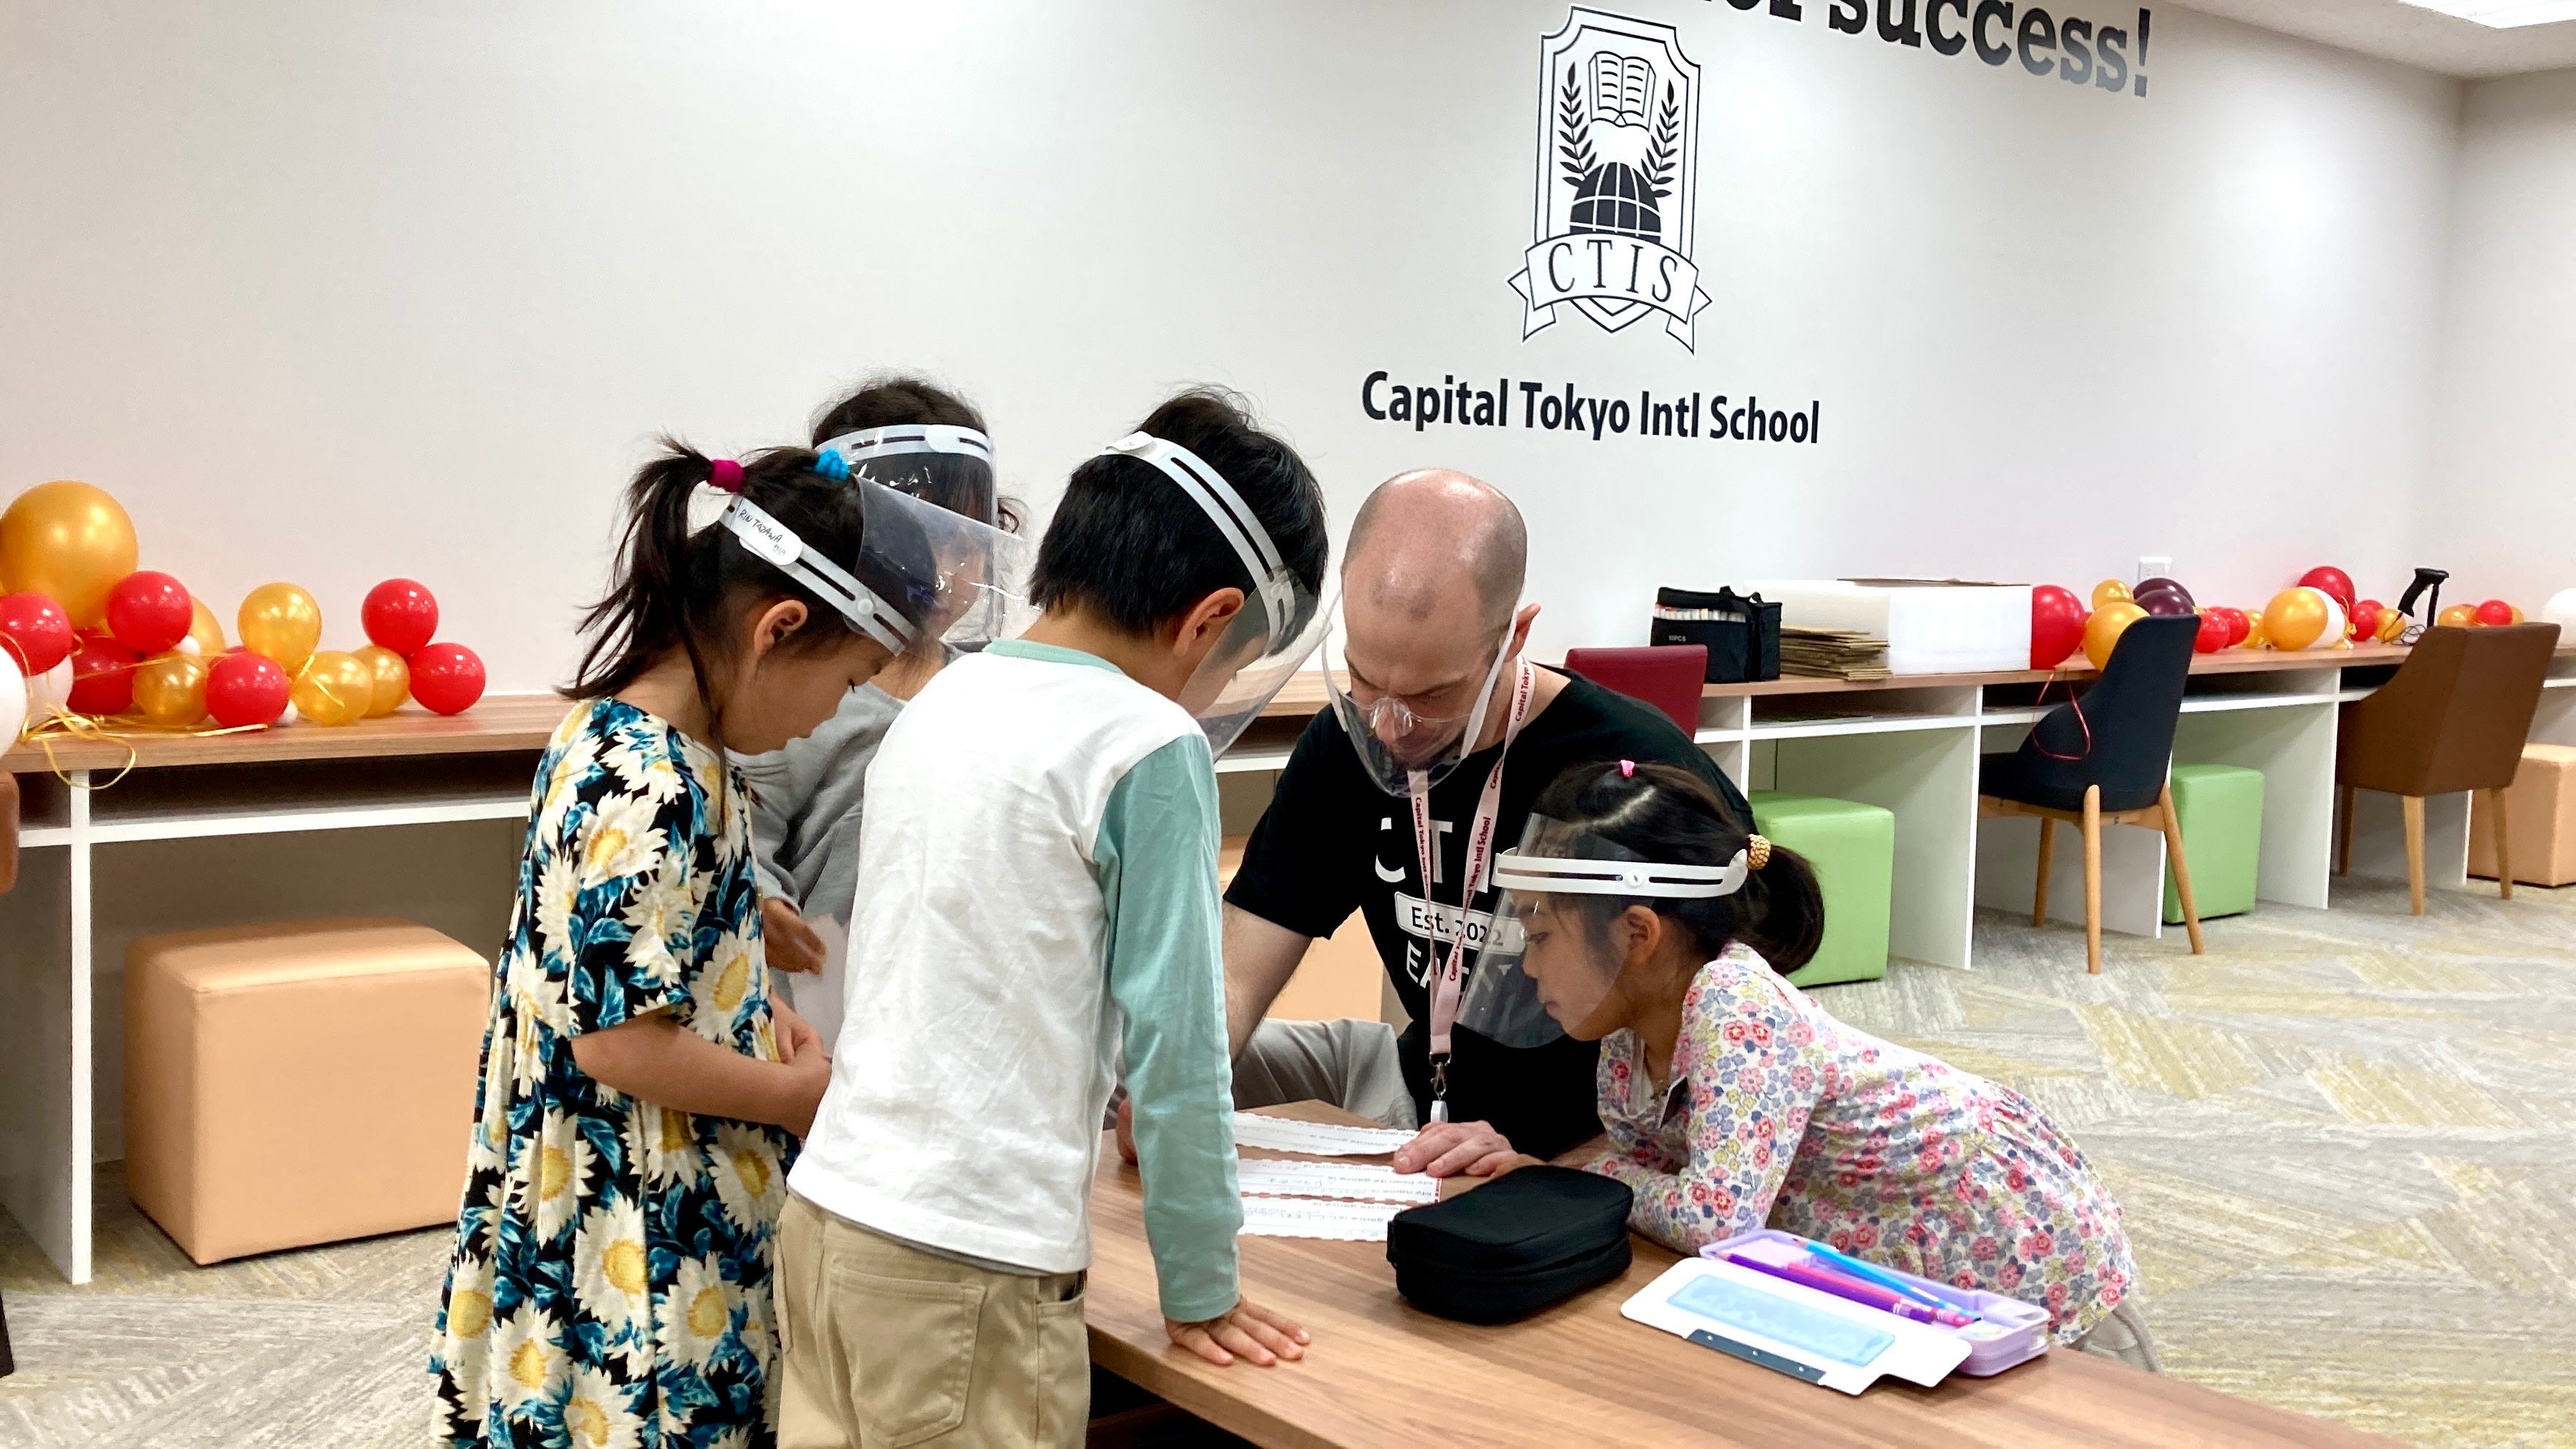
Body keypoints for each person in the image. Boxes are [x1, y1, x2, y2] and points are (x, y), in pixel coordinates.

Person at [778, 389, 1328, 1449]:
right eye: (1231, 658)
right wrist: (1201, 1283)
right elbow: (1178, 1045)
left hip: (832, 1212)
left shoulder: (941, 699)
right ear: (1209, 619)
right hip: (972, 1266)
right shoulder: (1145, 742)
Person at [432, 438, 962, 1448]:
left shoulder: (628, 738)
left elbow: (614, 930)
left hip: (627, 1172)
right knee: (646, 1413)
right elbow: (617, 1043)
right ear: (779, 629)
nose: (836, 712)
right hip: (636, 1214)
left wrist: (742, 950)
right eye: (849, 681)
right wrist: (794, 1098)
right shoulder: (653, 784)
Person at [1472, 758, 2157, 1369]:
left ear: (1637, 934)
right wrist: (1562, 1180)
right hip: (1882, 1247)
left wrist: (1584, 1174)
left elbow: (1714, 1218)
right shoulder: (1626, 1034)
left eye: (1540, 936)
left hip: (2006, 1234)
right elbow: (1654, 1185)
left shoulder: (1736, 1003)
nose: (1528, 966)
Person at [1218, 469, 1765, 1167]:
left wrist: (1560, 1173)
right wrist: (1175, 1087)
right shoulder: (1342, 748)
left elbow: (1738, 1063)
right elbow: (1236, 973)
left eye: (1431, 696)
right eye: (1364, 680)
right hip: (1416, 1085)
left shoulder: (1631, 772)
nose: (1390, 727)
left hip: (1584, 1140)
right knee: (1136, 1062)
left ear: (1514, 637)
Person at [735, 375, 1019, 1045]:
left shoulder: (988, 688)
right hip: (820, 1030)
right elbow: (738, 834)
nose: (950, 568)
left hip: (950, 1020)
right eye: (924, 537)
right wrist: (766, 901)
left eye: (968, 540)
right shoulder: (794, 699)